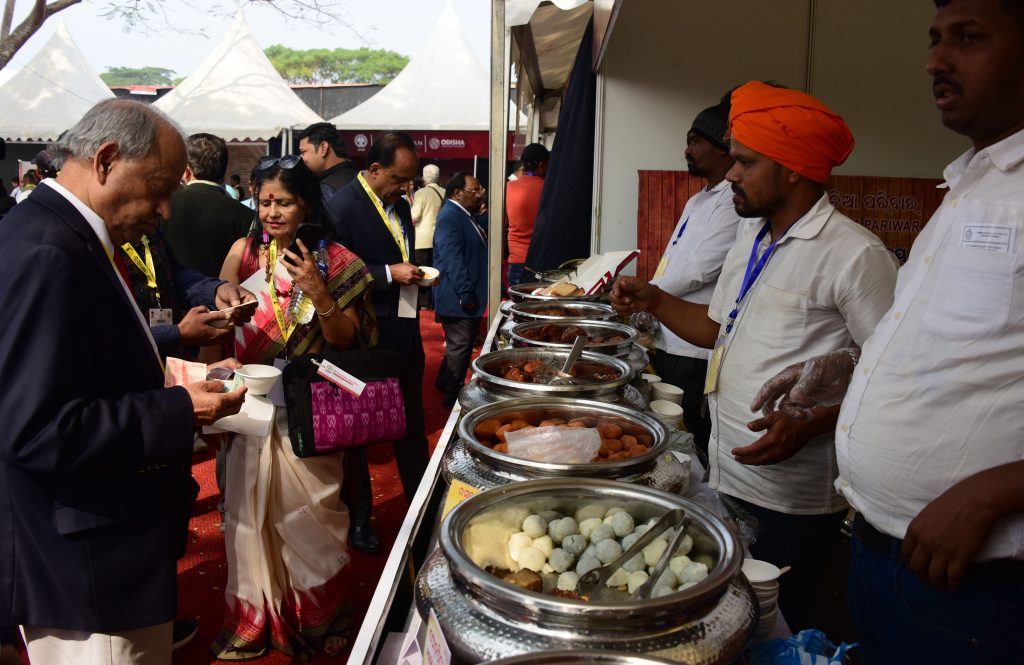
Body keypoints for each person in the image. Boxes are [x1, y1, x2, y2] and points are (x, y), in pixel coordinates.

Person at [749, 0, 1024, 660]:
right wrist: (845, 367)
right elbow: (951, 344)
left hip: (971, 584)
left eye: (969, 38)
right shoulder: (969, 183)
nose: (936, 60)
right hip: (882, 555)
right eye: (935, 39)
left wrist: (995, 490)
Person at [611, 81, 899, 631]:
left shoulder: (855, 254)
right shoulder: (753, 236)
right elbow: (716, 330)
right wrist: (655, 298)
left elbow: (889, 375)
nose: (731, 174)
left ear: (792, 169)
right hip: (725, 467)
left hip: (792, 495)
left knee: (777, 622)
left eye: (745, 161)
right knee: (722, 615)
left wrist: (815, 423)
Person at [0, 98, 246, 665]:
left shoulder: (64, 232)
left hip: (99, 547)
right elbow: (36, 428)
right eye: (159, 186)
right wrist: (180, 410)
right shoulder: (49, 251)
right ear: (106, 159)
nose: (164, 208)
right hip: (88, 566)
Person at [213, 155, 377, 660]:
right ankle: (255, 616)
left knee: (313, 514)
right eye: (264, 202)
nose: (272, 212)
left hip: (312, 409)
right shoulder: (243, 254)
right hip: (252, 405)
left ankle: (318, 614)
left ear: (306, 203)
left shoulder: (336, 260)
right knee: (247, 514)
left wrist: (317, 292)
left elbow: (349, 342)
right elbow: (221, 325)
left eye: (284, 202)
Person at [325, 131, 431, 553]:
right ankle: (360, 520)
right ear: (372, 170)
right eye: (399, 178)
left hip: (405, 327)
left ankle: (422, 507)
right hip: (363, 333)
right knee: (360, 433)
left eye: (409, 180)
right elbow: (335, 272)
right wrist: (389, 274)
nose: (405, 187)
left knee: (411, 424)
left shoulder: (401, 205)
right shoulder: (342, 208)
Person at [646, 97, 746, 464]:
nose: (687, 150)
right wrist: (648, 299)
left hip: (695, 347)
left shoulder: (732, 201)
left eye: (696, 141)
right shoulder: (699, 200)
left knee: (687, 439)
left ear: (723, 149)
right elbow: (672, 261)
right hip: (667, 334)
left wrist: (648, 295)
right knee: (668, 431)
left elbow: (700, 269)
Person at [160, 133, 253, 279]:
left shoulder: (162, 206)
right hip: (228, 297)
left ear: (186, 171)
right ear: (224, 171)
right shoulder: (245, 215)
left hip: (173, 296)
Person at [433, 172, 488, 409]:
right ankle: (452, 392)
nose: (479, 194)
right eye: (473, 190)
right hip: (457, 297)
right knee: (460, 346)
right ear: (457, 193)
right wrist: (465, 292)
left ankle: (445, 380)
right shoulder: (450, 216)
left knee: (459, 345)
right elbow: (452, 259)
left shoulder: (463, 215)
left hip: (462, 294)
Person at [505, 142, 549, 287]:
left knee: (517, 308)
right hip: (541, 262)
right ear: (542, 164)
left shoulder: (508, 188)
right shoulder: (548, 190)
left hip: (516, 261)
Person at [410, 163, 445, 309]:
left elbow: (415, 215)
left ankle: (424, 303)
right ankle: (436, 301)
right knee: (437, 271)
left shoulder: (421, 193)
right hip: (440, 238)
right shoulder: (445, 192)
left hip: (423, 239)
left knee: (423, 272)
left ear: (425, 176)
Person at [297, 121, 359, 200]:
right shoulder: (361, 179)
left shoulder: (326, 190)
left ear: (323, 148)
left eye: (303, 152)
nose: (301, 158)